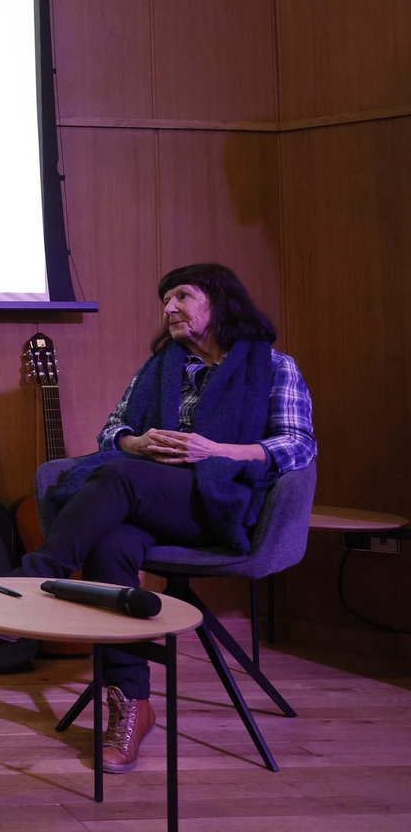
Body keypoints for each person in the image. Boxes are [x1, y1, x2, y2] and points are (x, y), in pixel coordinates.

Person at [18, 262, 315, 774]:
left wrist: (216, 450)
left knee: (121, 479)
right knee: (111, 547)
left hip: (222, 504)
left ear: (219, 301)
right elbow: (114, 431)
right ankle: (133, 705)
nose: (168, 308)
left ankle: (34, 579)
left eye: (181, 296)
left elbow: (298, 443)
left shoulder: (275, 367)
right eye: (165, 300)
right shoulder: (160, 367)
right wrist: (136, 442)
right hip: (157, 500)